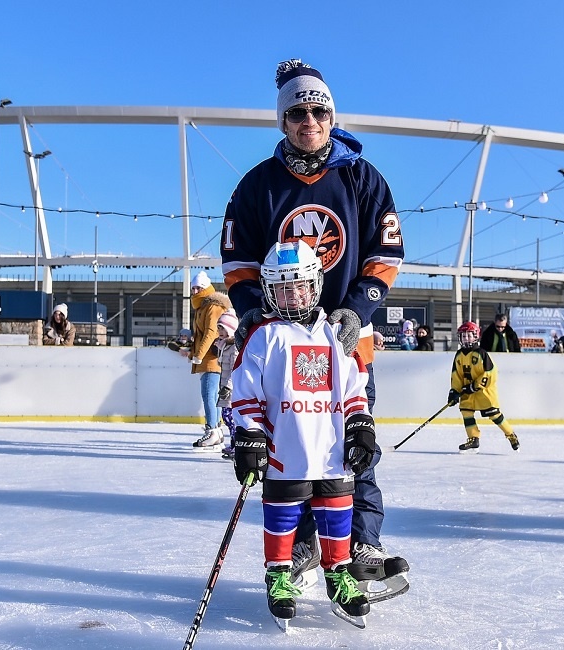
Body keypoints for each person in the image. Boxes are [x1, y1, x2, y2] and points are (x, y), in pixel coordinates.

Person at [221, 58, 408, 589]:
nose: (310, 121)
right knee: (290, 450)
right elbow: (237, 261)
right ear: (283, 120)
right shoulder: (257, 186)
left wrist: (358, 308)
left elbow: (386, 252)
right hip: (282, 346)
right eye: (298, 113)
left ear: (332, 118)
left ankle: (362, 541)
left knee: (354, 445)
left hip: (346, 342)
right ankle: (303, 543)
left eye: (319, 112)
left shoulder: (362, 178)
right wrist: (254, 312)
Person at [231, 241, 371, 627]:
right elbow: (246, 393)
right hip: (285, 448)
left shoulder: (336, 334)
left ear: (316, 285)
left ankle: (338, 573)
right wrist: (250, 436)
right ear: (268, 291)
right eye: (282, 288)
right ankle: (278, 574)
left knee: (338, 510)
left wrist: (360, 426)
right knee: (282, 512)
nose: (292, 295)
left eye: (300, 286)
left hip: (332, 448)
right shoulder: (264, 336)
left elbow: (354, 389)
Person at [447, 321, 520, 453]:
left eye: (469, 335)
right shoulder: (459, 355)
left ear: (475, 336)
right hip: (467, 392)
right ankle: (473, 439)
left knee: (495, 415)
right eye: (463, 336)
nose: (466, 338)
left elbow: (491, 373)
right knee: (466, 411)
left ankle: (511, 435)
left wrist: (475, 386)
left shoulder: (481, 353)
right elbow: (456, 375)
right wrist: (454, 391)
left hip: (484, 392)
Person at [188, 270, 232, 449]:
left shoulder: (212, 307)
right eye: (193, 288)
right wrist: (193, 353)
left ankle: (212, 430)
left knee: (209, 394)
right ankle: (217, 431)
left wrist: (199, 355)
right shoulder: (202, 307)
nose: (195, 291)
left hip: (212, 357)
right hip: (208, 356)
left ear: (206, 288)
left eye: (198, 288)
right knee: (213, 396)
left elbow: (211, 332)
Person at [215, 310, 239, 458]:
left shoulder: (234, 347)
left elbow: (235, 369)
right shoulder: (225, 346)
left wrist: (228, 387)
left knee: (230, 417)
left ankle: (237, 446)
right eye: (219, 328)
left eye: (222, 328)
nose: (219, 332)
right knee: (227, 417)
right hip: (225, 387)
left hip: (231, 389)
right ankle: (234, 444)